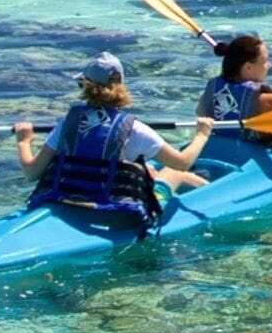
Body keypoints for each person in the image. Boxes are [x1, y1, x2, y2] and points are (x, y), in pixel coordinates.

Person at [13, 53, 218, 225]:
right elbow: (182, 162)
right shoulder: (135, 129)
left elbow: (31, 172)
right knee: (175, 173)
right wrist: (201, 134)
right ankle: (216, 193)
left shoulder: (67, 123)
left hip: (66, 200)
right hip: (114, 212)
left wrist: (24, 141)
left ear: (85, 86)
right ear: (120, 85)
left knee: (149, 170)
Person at [191, 34, 272, 168]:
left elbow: (201, 113)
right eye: (265, 60)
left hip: (217, 148)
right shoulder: (268, 101)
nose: (269, 65)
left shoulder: (213, 86)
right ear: (248, 67)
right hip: (245, 159)